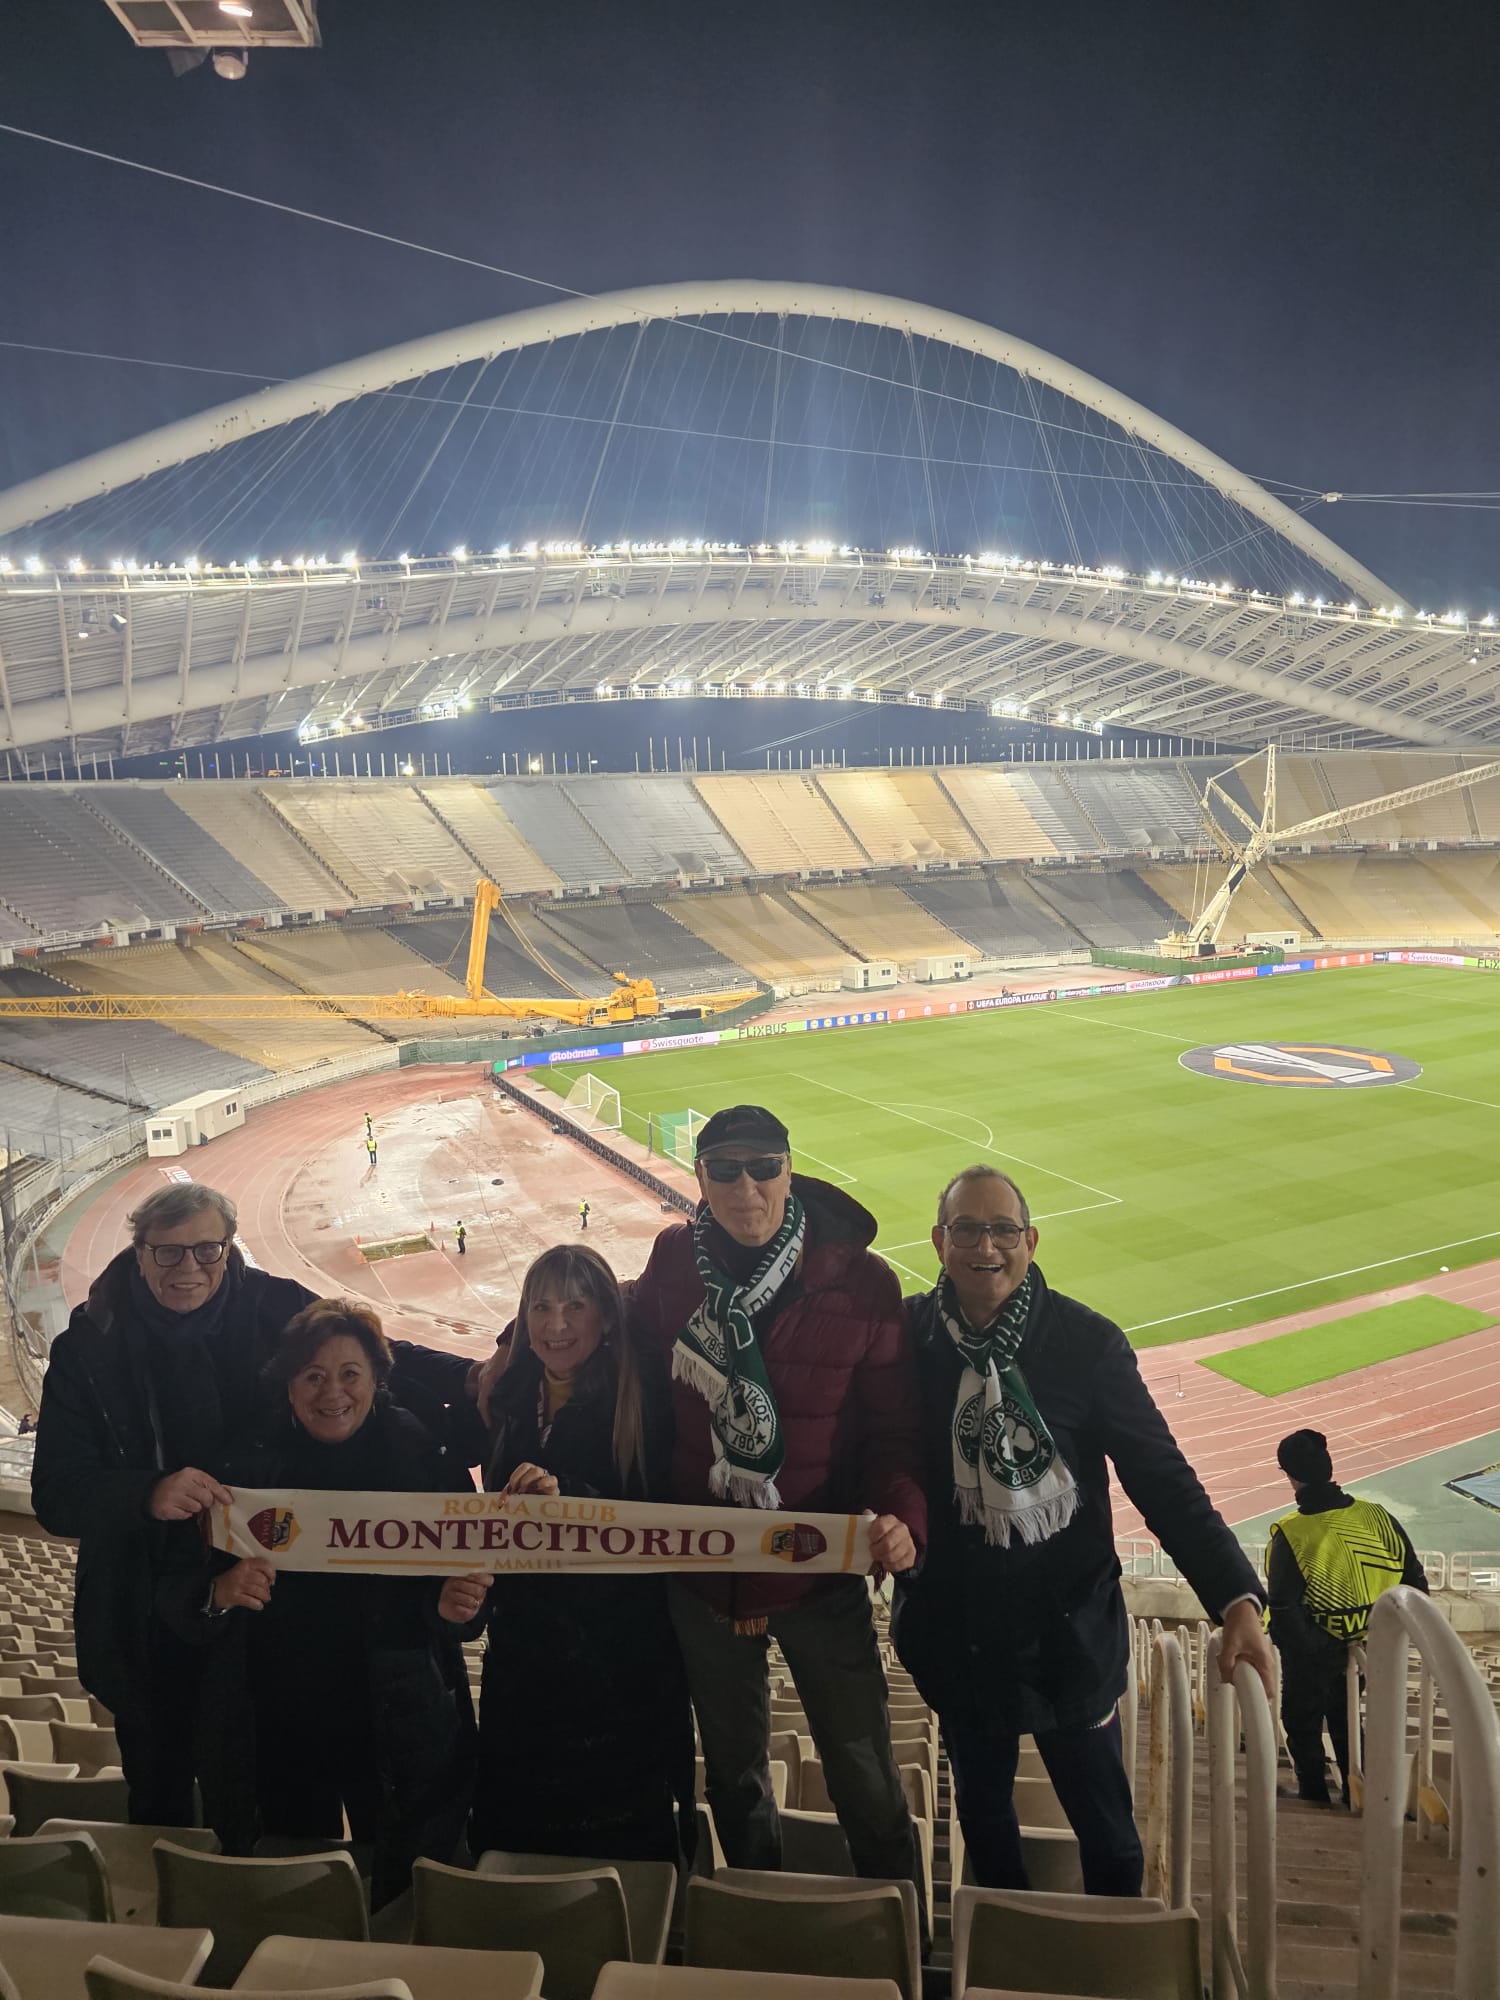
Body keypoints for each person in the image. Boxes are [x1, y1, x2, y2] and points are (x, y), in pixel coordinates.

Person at [31, 1180, 483, 1826]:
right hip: (146, 1611)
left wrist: (470, 1376)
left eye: (206, 1249)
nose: (189, 1267)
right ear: (139, 1251)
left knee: (256, 1780)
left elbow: (366, 1350)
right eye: (168, 1251)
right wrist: (148, 1493)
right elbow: (55, 1492)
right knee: (163, 1794)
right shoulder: (87, 1348)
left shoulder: (273, 1305)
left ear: (228, 1247)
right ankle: (189, 1886)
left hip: (253, 1617)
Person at [893, 1164, 1272, 1897]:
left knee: (1110, 1838)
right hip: (956, 1637)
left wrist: (1235, 1598)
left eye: (1002, 1230)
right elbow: (878, 1451)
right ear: (940, 1242)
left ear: (1031, 1242)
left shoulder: (1087, 1344)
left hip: (1067, 1642)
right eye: (966, 1229)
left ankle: (1114, 1945)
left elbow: (1161, 1478)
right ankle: (1003, 1938)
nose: (985, 1247)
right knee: (983, 1819)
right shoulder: (907, 1337)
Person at [623, 1104, 926, 1889]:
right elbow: (616, 1330)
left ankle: (896, 1918)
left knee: (865, 1773)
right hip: (705, 1578)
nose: (746, 1187)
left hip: (817, 1574)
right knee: (733, 1779)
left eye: (764, 1167)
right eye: (725, 1169)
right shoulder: (672, 1262)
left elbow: (893, 1432)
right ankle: (760, 1912)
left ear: (791, 1171)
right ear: (700, 1178)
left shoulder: (865, 1283)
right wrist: (512, 1346)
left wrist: (904, 1518)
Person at [164, 1299, 474, 1905]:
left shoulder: (423, 1454)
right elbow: (179, 1590)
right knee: (296, 1885)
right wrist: (219, 1593)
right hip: (283, 1719)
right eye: (313, 1376)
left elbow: (464, 1592)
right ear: (288, 1385)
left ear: (377, 1377)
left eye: (350, 1373)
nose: (333, 1392)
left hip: (398, 1712)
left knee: (407, 1888)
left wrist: (457, 1608)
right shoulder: (241, 1465)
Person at [440, 1245, 692, 1861]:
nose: (556, 1324)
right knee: (516, 1847)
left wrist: (567, 1501)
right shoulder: (508, 1396)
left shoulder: (645, 1395)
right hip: (522, 1663)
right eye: (542, 1307)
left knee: (616, 1855)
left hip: (616, 1667)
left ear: (605, 1317)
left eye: (575, 1307)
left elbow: (660, 1525)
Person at [1267, 1428, 1428, 1806]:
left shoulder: (1291, 1533)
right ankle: (1364, 1796)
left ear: (1289, 1474)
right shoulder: (1378, 1516)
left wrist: (1326, 1652)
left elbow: (1284, 1610)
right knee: (1346, 1717)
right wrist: (1374, 1638)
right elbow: (1416, 1588)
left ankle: (1314, 1794)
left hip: (1316, 1655)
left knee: (1302, 1720)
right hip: (1371, 1649)